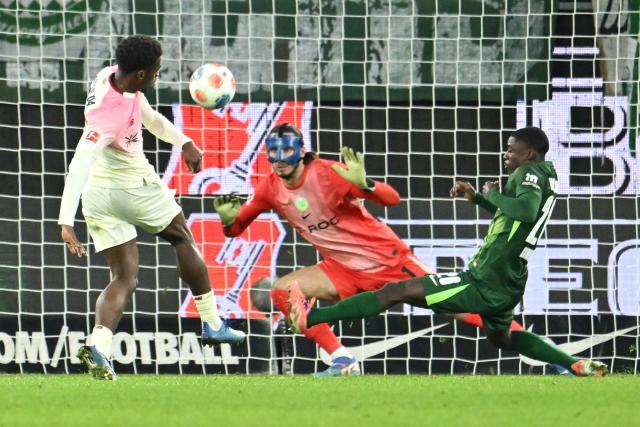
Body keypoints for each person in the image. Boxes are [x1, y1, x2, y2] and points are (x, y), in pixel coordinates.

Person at [288, 126, 608, 377]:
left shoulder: (527, 174)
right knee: (504, 339)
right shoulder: (546, 177)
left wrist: (493, 195)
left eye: (513, 150)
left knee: (395, 291)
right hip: (509, 280)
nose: (506, 154)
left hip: (485, 279)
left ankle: (311, 316)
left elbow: (524, 210)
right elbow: (517, 217)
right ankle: (574, 363)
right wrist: (479, 199)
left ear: (531, 155)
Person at [213, 123, 522, 376]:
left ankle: (540, 350)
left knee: (462, 308)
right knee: (282, 291)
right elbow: (235, 229)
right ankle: (342, 360)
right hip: (342, 269)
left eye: (287, 150)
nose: (279, 158)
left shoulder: (328, 173)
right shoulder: (269, 187)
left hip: (388, 261)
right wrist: (228, 220)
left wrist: (366, 184)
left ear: (302, 151)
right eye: (273, 151)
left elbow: (392, 199)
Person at [59, 35, 245, 381]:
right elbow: (81, 160)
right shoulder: (108, 117)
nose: (159, 76)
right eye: (157, 71)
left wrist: (184, 141)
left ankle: (99, 345)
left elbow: (151, 119)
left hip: (99, 197)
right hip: (133, 187)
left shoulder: (110, 77)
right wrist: (65, 219)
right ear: (142, 74)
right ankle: (213, 323)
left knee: (124, 276)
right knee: (182, 238)